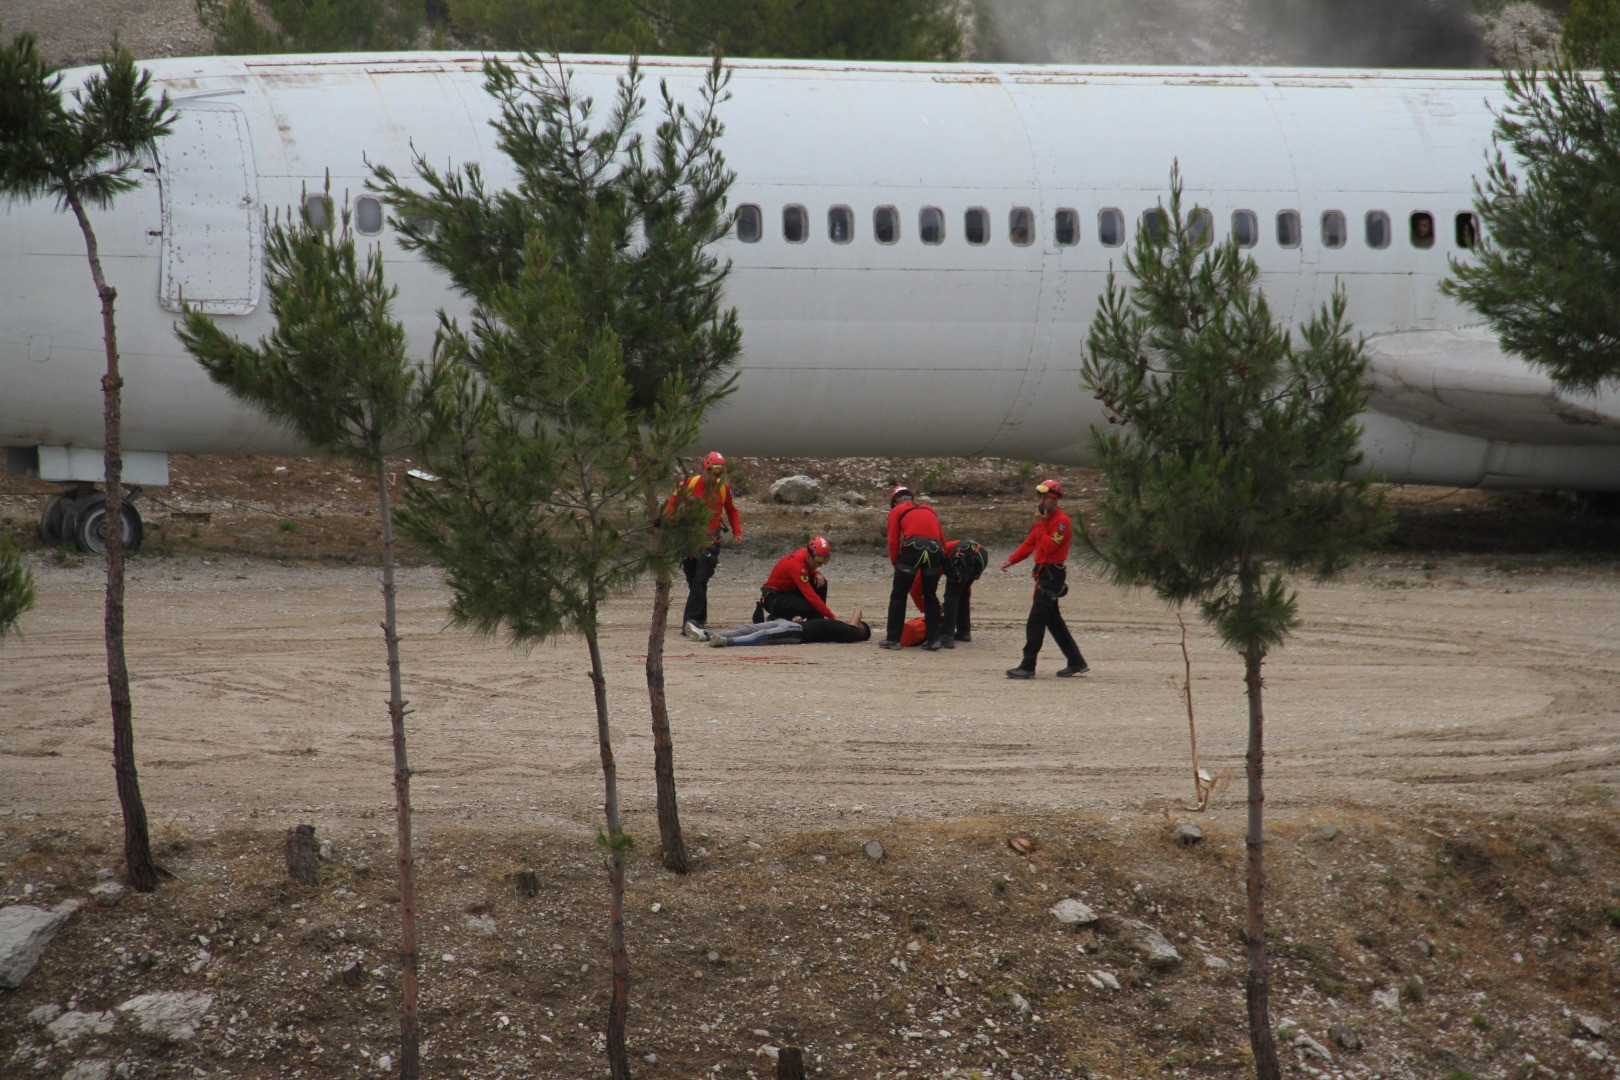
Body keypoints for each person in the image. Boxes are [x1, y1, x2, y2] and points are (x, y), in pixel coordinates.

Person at [1001, 479, 1089, 679]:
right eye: (1040, 497)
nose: (1041, 501)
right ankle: (1076, 662)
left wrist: (1039, 525)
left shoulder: (1061, 522)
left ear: (1055, 500)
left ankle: (1027, 666)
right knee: (1054, 622)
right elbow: (1030, 542)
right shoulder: (1043, 519)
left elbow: (1049, 547)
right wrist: (1012, 560)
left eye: (1045, 497)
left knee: (1035, 622)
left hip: (1052, 576)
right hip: (1044, 573)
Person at [667, 451, 742, 637]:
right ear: (704, 468)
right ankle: (700, 618)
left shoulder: (723, 489)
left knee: (701, 579)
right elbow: (672, 505)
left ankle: (691, 621)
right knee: (693, 581)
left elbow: (732, 511)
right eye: (713, 471)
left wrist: (737, 532)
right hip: (689, 542)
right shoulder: (688, 485)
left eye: (719, 472)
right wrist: (668, 524)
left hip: (711, 542)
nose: (716, 476)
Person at [880, 485, 946, 650]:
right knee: (930, 594)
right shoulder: (929, 509)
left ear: (895, 501)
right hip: (935, 549)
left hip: (914, 548)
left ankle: (893, 639)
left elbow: (893, 540)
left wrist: (895, 561)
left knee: (899, 594)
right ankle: (934, 639)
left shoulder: (896, 511)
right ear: (910, 497)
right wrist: (943, 559)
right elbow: (941, 537)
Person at [911, 538, 988, 647]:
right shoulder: (941, 556)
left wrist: (930, 612)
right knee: (962, 591)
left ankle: (947, 636)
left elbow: (915, 591)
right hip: (981, 553)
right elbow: (965, 588)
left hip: (963, 554)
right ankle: (963, 632)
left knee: (951, 594)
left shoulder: (927, 564)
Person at [754, 536, 840, 623]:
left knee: (821, 583)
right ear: (809, 555)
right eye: (818, 561)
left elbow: (807, 568)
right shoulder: (797, 566)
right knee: (811, 607)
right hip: (773, 599)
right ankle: (776, 618)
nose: (820, 565)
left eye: (824, 561)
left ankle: (817, 623)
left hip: (786, 592)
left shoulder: (804, 553)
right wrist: (832, 617)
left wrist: (817, 573)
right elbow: (811, 597)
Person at [696, 609, 871, 647]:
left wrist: (856, 624)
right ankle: (707, 634)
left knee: (763, 634)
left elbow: (858, 611)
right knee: (748, 628)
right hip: (794, 624)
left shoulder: (850, 633)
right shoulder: (844, 629)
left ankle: (726, 641)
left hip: (798, 633)